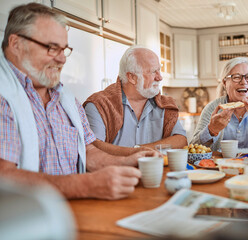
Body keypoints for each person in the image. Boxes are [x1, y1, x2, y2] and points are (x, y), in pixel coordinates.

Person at [0, 3, 158, 200]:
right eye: (51, 48)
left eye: (64, 50)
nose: (62, 59)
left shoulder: (65, 99)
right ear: (16, 44)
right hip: (27, 224)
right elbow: (4, 176)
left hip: (71, 215)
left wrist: (131, 160)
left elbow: (88, 152)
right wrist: (85, 185)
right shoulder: (3, 97)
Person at [83, 46, 187, 153]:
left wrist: (138, 150)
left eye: (159, 70)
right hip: (117, 169)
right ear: (132, 77)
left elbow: (181, 140)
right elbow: (94, 148)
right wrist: (137, 154)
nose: (159, 77)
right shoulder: (99, 105)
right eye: (153, 72)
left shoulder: (165, 104)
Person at [190, 57, 248, 152]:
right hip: (222, 165)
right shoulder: (212, 109)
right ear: (224, 82)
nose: (243, 82)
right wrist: (212, 130)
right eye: (236, 77)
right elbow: (193, 148)